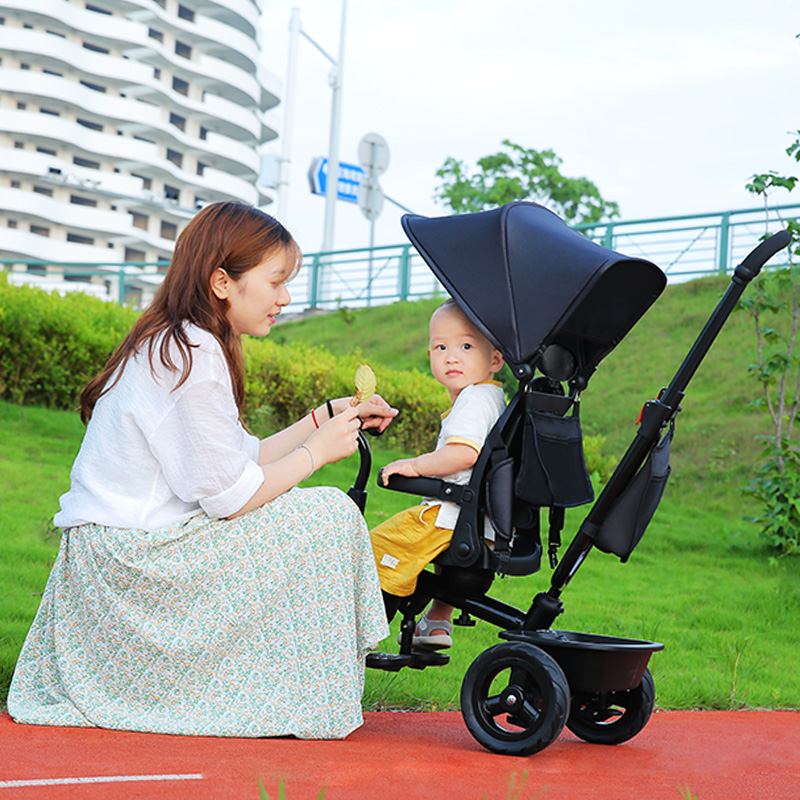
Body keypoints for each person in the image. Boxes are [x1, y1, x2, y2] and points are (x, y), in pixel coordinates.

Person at [7, 200, 397, 740]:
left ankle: (282, 691)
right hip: (130, 563)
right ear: (221, 281)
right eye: (277, 281)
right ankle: (291, 698)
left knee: (317, 510)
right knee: (326, 514)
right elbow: (230, 497)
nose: (285, 298)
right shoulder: (189, 352)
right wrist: (317, 454)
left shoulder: (181, 341)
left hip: (119, 556)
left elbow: (243, 457)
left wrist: (328, 417)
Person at [370, 299, 505, 649]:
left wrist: (414, 466)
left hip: (451, 517)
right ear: (429, 354)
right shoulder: (491, 397)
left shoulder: (473, 402)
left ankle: (355, 641)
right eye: (440, 346)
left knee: (371, 549)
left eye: (466, 345)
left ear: (495, 360)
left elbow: (463, 454)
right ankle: (437, 622)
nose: (451, 356)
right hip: (477, 521)